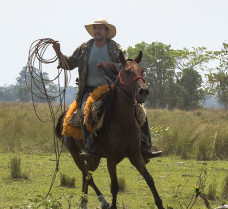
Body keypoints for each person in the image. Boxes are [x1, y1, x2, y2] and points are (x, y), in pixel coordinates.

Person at [52, 18, 162, 162]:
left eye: (100, 28)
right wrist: (58, 52)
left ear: (106, 31)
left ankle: (145, 147)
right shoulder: (84, 48)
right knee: (85, 112)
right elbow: (69, 64)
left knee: (140, 111)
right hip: (89, 90)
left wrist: (111, 66)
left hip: (112, 89)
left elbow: (126, 66)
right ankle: (89, 148)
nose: (97, 31)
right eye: (95, 28)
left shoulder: (116, 48)